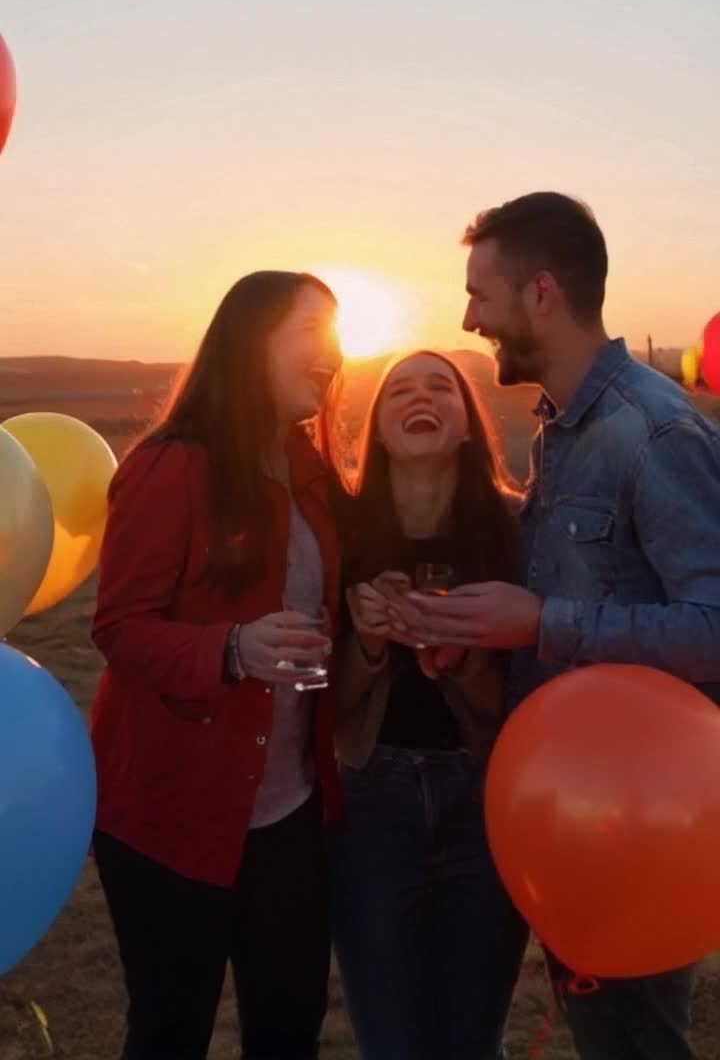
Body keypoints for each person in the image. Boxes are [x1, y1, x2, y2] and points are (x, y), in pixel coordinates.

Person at [390, 192, 720, 1060]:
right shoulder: (563, 432)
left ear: (540, 294)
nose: (469, 318)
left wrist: (543, 621)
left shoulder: (651, 432)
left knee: (636, 1043)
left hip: (647, 819)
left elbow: (713, 626)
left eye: (480, 294)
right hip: (576, 813)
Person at [90, 270, 343, 1060]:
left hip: (290, 813)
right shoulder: (171, 468)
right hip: (170, 815)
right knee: (171, 1030)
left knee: (287, 1029)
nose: (331, 352)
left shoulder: (312, 472)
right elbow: (119, 627)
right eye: (310, 332)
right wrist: (232, 650)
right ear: (250, 341)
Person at [319, 350, 528, 1060]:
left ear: (469, 426)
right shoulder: (339, 535)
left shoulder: (517, 531)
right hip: (370, 806)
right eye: (400, 390)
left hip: (487, 804)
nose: (423, 397)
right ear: (376, 429)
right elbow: (331, 713)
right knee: (394, 1045)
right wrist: (370, 645)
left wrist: (464, 662)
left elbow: (525, 711)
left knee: (473, 1041)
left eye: (443, 387)